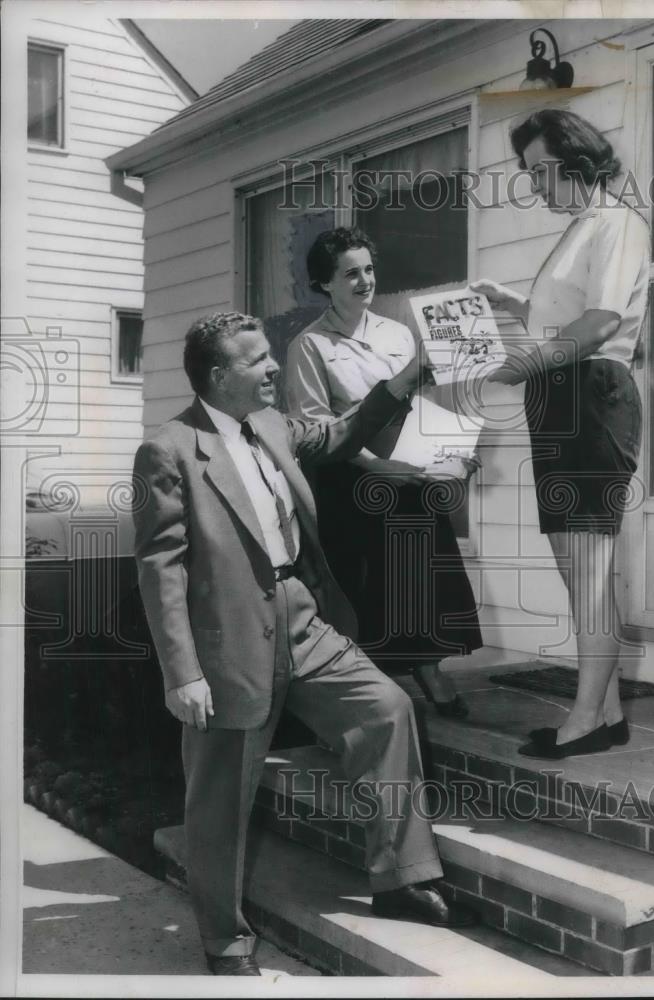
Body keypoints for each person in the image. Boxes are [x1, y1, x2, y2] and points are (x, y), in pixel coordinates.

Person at [132, 312, 475, 977]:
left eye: (270, 357)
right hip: (227, 638)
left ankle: (399, 879)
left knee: (385, 709)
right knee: (221, 797)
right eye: (257, 360)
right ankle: (224, 940)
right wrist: (183, 673)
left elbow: (342, 433)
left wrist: (409, 376)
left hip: (303, 618)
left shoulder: (272, 425)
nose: (273, 369)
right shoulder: (170, 449)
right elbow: (160, 568)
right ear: (216, 377)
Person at [471, 109, 650, 759]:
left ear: (577, 160)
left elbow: (601, 320)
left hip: (593, 395)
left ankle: (585, 718)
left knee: (591, 564)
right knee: (578, 571)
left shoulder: (617, 222)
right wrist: (514, 304)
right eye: (529, 173)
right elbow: (564, 316)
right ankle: (601, 712)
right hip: (559, 398)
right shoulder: (579, 230)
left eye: (541, 170)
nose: (536, 184)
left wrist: (529, 363)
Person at [285, 227, 483, 719]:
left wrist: (452, 453)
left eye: (368, 269)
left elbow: (420, 407)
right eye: (350, 273)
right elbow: (317, 432)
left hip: (408, 476)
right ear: (324, 284)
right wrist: (380, 469)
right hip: (350, 482)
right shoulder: (308, 346)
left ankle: (429, 670)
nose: (364, 280)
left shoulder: (397, 334)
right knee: (373, 586)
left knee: (420, 573)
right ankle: (374, 690)